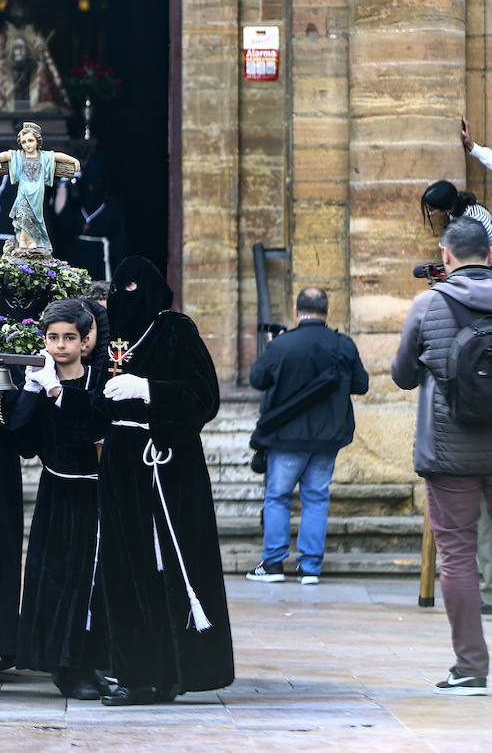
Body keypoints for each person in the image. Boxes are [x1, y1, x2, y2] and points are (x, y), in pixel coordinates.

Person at [94, 256, 234, 705]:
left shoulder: (175, 329)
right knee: (126, 569)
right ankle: (135, 673)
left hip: (166, 466)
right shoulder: (111, 337)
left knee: (168, 566)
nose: (123, 295)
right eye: (119, 286)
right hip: (120, 465)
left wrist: (148, 390)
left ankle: (176, 670)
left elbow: (204, 396)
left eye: (133, 286)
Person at [391, 216, 492, 694]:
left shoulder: (428, 303)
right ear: (490, 256)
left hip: (450, 451)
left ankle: (471, 667)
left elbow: (402, 375)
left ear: (446, 257)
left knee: (456, 557)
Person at [9, 298, 106, 698]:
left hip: (94, 491)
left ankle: (90, 661)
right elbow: (23, 443)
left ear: (86, 341)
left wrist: (55, 389)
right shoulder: (39, 383)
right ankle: (64, 666)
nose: (61, 346)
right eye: (53, 338)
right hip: (57, 492)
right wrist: (33, 391)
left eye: (70, 338)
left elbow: (90, 426)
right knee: (57, 577)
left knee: (90, 580)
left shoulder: (99, 381)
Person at [245, 286, 370, 583]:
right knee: (316, 498)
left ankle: (273, 565)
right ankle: (310, 568)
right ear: (327, 312)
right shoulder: (343, 345)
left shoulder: (282, 345)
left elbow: (257, 379)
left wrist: (274, 348)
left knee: (278, 497)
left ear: (296, 311)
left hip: (286, 438)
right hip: (327, 438)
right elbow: (361, 385)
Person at [0, 0, 71, 114]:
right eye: (14, 8)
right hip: (8, 82)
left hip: (30, 80)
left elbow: (43, 62)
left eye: (20, 8)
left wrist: (32, 62)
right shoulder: (2, 36)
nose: (17, 12)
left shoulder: (35, 35)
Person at [0, 122, 79, 253]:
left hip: (37, 193)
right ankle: (23, 240)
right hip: (23, 192)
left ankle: (32, 240)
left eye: (30, 141)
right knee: (23, 215)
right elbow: (6, 155)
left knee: (34, 216)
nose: (27, 144)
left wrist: (73, 160)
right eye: (24, 142)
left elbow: (57, 156)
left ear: (38, 141)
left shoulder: (44, 156)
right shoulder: (20, 156)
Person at [421, 179, 492, 247]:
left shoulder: (477, 218)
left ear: (445, 209)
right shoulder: (454, 210)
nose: (430, 213)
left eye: (431, 210)